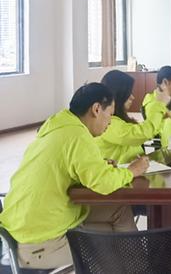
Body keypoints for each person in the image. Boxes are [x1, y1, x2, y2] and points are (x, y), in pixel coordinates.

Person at [0, 83, 148, 270]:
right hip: (40, 242)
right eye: (110, 114)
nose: (110, 122)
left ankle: (137, 268)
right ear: (96, 109)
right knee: (111, 244)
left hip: (23, 228)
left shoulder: (59, 126)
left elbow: (68, 167)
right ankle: (138, 268)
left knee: (117, 210)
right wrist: (132, 171)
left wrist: (99, 166)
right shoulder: (77, 135)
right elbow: (103, 183)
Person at [96, 70, 170, 163]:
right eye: (128, 93)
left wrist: (160, 120)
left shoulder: (121, 121)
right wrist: (159, 105)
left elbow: (140, 146)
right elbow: (142, 134)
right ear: (119, 95)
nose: (132, 97)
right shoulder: (108, 123)